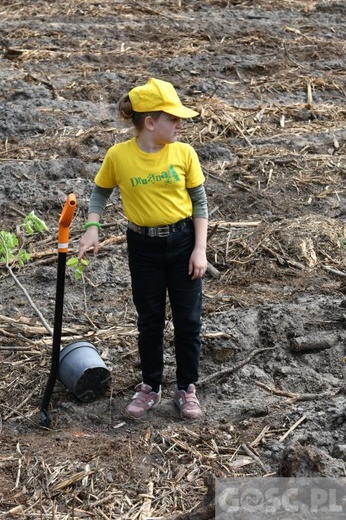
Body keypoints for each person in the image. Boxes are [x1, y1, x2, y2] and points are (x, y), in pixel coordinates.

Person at [78, 78, 208, 420]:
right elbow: (100, 192)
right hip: (143, 247)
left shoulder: (184, 153)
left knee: (188, 320)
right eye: (173, 118)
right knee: (149, 320)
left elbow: (200, 204)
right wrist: (93, 227)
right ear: (150, 123)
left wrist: (200, 249)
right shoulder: (119, 156)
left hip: (182, 244)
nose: (180, 124)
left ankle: (186, 388)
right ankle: (150, 386)